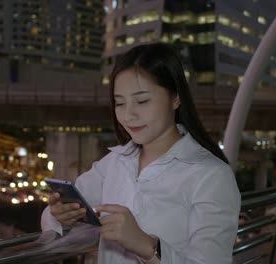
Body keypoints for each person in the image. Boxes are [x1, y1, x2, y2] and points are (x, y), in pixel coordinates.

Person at [41, 43, 241, 264]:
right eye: (119, 103)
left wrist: (147, 247)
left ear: (175, 97)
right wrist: (60, 215)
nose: (128, 115)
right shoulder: (114, 163)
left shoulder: (212, 176)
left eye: (142, 101)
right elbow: (55, 220)